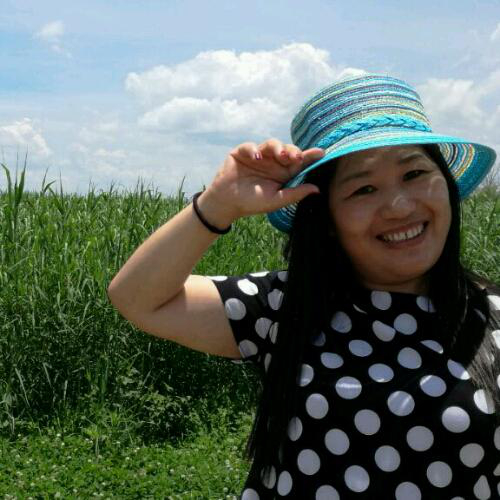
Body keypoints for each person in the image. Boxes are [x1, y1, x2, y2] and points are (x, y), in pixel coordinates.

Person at [107, 74, 500, 499]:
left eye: (415, 172)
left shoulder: (492, 314)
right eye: (364, 188)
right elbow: (138, 299)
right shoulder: (285, 306)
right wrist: (218, 203)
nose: (400, 206)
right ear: (326, 217)